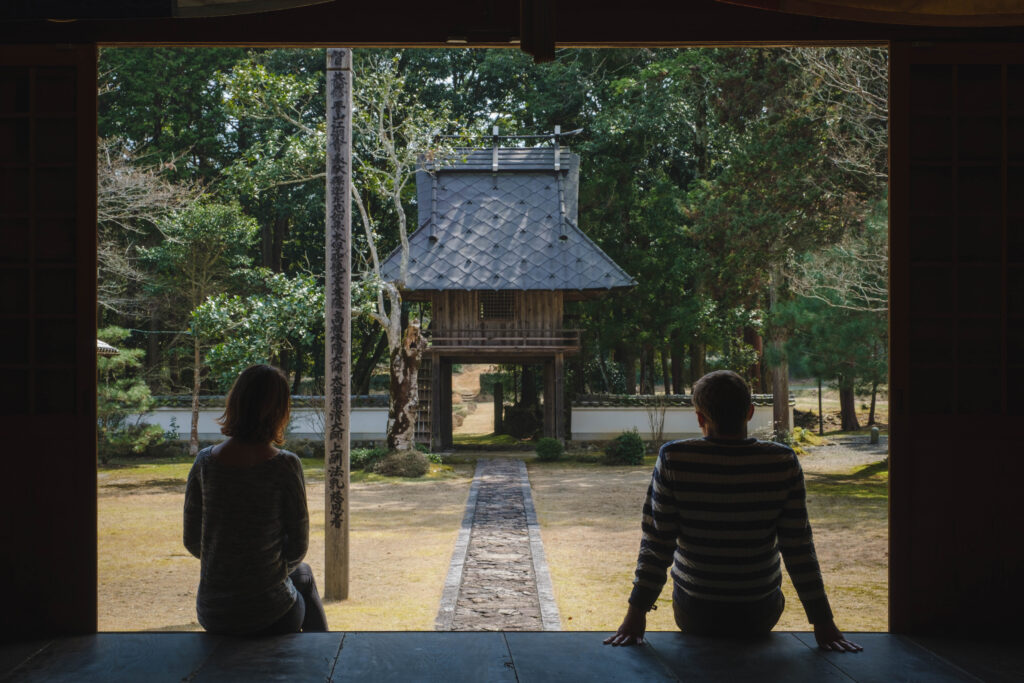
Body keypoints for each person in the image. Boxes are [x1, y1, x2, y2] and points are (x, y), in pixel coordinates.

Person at [604, 370, 861, 652]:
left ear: (700, 417)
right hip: (760, 612)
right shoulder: (781, 461)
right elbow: (798, 547)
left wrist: (635, 614)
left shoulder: (675, 458)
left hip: (695, 611)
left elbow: (657, 543)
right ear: (750, 412)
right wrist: (823, 621)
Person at [184, 364, 328, 635]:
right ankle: (324, 661)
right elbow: (298, 545)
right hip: (270, 611)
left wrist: (230, 565)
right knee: (303, 576)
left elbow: (192, 539)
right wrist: (264, 571)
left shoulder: (205, 462)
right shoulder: (284, 465)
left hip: (214, 611)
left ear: (235, 403)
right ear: (280, 411)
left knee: (301, 574)